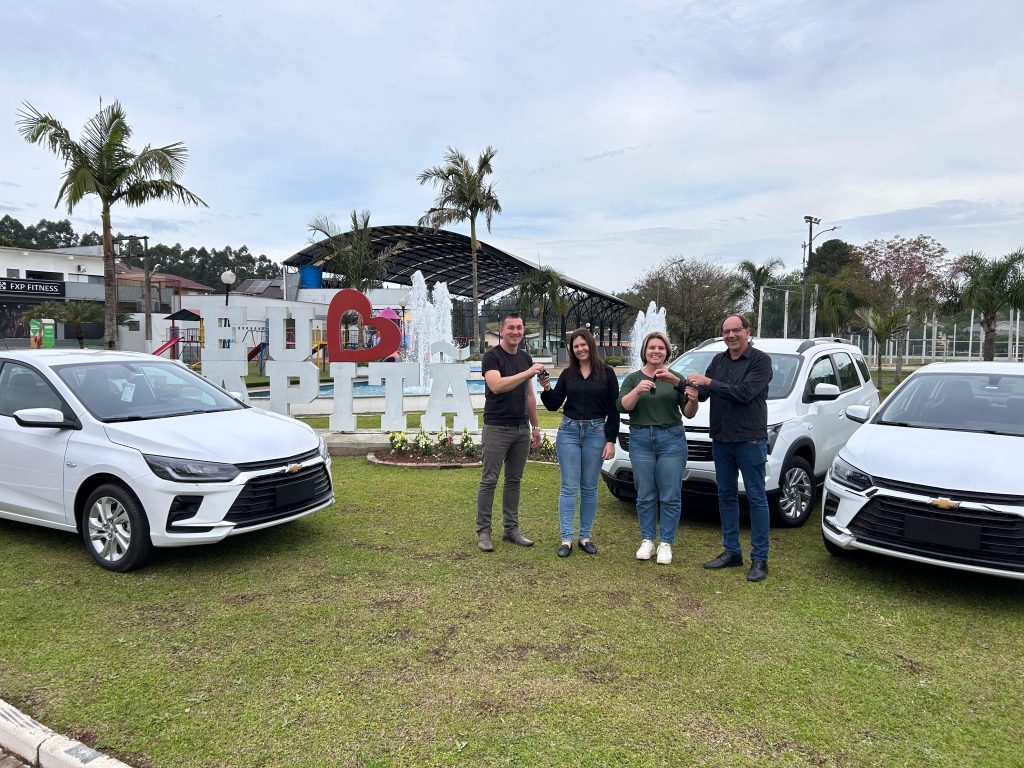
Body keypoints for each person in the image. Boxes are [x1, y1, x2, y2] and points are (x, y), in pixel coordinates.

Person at [688, 314, 773, 582]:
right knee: (725, 495)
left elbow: (744, 393)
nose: (731, 336)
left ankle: (759, 558)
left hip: (750, 439)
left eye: (736, 330)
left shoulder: (760, 361)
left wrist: (707, 383)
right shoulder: (718, 360)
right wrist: (682, 384)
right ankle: (732, 552)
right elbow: (703, 393)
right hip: (721, 440)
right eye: (726, 331)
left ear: (747, 331)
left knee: (756, 497)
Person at [617, 331, 698, 565]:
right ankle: (647, 540)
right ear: (644, 351)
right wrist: (637, 390)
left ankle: (666, 543)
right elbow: (622, 407)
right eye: (651, 347)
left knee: (670, 494)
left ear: (667, 352)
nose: (656, 351)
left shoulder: (675, 378)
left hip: (671, 439)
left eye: (661, 348)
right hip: (641, 439)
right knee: (645, 494)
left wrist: (692, 399)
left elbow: (689, 413)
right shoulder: (633, 378)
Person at [539, 328, 620, 558]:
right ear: (571, 350)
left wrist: (610, 440)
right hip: (569, 432)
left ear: (591, 345)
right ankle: (566, 539)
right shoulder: (568, 374)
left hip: (596, 432)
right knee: (569, 487)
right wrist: (546, 387)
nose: (580, 349)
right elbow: (553, 404)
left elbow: (614, 409)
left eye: (583, 344)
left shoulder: (607, 373)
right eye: (576, 346)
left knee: (589, 487)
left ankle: (584, 537)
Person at [476, 312, 545, 552]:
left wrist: (535, 426)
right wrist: (528, 372)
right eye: (511, 328)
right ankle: (484, 532)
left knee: (514, 481)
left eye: (519, 328)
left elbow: (529, 395)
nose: (516, 332)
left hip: (521, 428)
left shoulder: (525, 357)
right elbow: (496, 386)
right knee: (489, 480)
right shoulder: (492, 357)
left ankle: (511, 529)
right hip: (497, 427)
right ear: (502, 331)